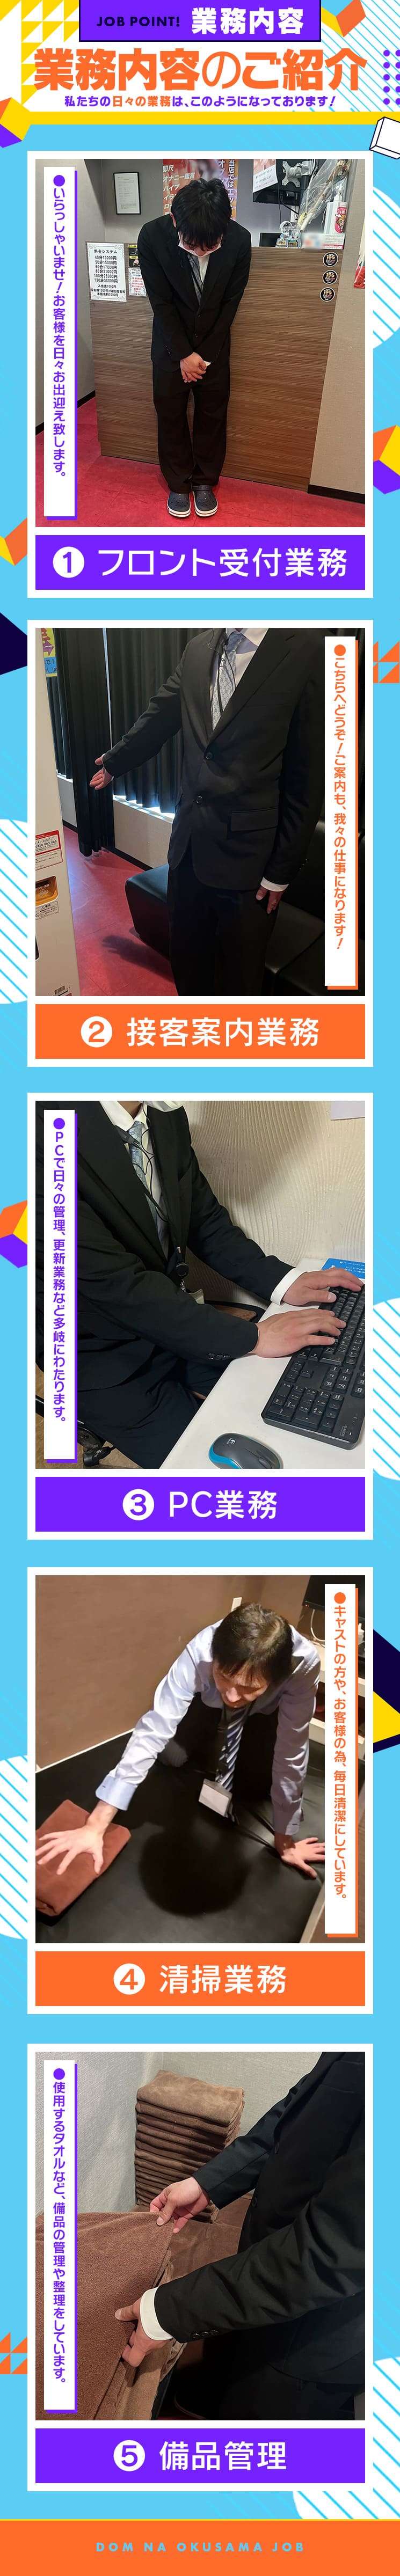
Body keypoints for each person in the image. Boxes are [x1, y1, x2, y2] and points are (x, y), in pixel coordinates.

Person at [35, 1097, 361, 1469]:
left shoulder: (165, 1117)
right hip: (99, 1354)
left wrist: (284, 1282)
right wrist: (253, 1337)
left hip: (174, 1321)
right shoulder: (33, 1134)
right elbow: (114, 1285)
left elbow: (203, 1220)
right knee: (204, 1472)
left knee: (299, 1394)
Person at [115, 2053, 365, 2423]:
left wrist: (169, 2311)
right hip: (266, 2266)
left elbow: (333, 2252)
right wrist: (209, 2182)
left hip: (315, 2334)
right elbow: (303, 2107)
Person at [90, 626, 325, 996]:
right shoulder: (199, 647)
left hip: (251, 864)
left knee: (241, 979)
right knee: (187, 963)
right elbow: (160, 715)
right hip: (188, 850)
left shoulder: (308, 648)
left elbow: (308, 776)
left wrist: (281, 872)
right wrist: (116, 761)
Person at [36, 1602, 324, 1888]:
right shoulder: (201, 1650)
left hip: (265, 1714)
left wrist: (285, 1841)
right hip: (207, 1703)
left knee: (255, 1788)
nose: (233, 1696)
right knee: (172, 1756)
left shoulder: (303, 1665)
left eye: (249, 1687)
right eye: (225, 1677)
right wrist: (96, 1825)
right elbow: (153, 1730)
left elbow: (292, 1751)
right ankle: (216, 1722)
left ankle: (241, 1722)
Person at [135, 178, 251, 518]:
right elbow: (161, 303)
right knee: (170, 414)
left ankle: (204, 480)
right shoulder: (152, 236)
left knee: (213, 415)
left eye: (210, 246)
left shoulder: (239, 240)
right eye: (193, 245)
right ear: (175, 221)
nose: (201, 253)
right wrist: (184, 355)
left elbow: (231, 304)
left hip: (215, 346)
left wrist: (203, 356)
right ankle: (178, 482)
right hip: (170, 346)